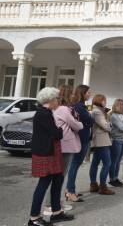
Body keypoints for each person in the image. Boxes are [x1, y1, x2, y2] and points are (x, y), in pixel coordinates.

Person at [28, 87, 74, 226]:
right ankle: (34, 218)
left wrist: (58, 130)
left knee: (57, 181)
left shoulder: (47, 112)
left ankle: (57, 213)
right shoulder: (43, 113)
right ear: (50, 100)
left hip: (52, 152)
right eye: (57, 98)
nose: (58, 101)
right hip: (46, 153)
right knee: (43, 184)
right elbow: (57, 134)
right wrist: (60, 129)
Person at [46, 85, 83, 213]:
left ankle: (55, 202)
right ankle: (51, 204)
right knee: (59, 176)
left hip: (62, 144)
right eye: (72, 93)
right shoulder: (64, 109)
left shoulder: (60, 108)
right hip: (65, 145)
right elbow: (76, 125)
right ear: (68, 95)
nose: (75, 96)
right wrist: (81, 123)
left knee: (58, 176)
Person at [65, 85, 93, 203]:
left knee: (76, 164)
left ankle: (70, 189)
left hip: (83, 137)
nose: (90, 94)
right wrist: (90, 120)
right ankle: (70, 191)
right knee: (75, 164)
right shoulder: (79, 106)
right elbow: (90, 121)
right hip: (80, 138)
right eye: (88, 93)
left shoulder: (81, 105)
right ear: (82, 93)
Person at [89, 94, 114, 195]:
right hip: (101, 140)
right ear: (100, 101)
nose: (105, 102)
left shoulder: (96, 110)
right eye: (104, 100)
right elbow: (106, 126)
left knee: (95, 162)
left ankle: (94, 184)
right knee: (107, 163)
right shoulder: (98, 111)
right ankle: (103, 187)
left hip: (98, 140)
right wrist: (110, 124)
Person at [108, 99, 123, 187]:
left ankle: (116, 177)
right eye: (121, 105)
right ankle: (112, 178)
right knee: (114, 160)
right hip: (116, 140)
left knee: (119, 160)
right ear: (117, 105)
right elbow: (121, 127)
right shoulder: (113, 116)